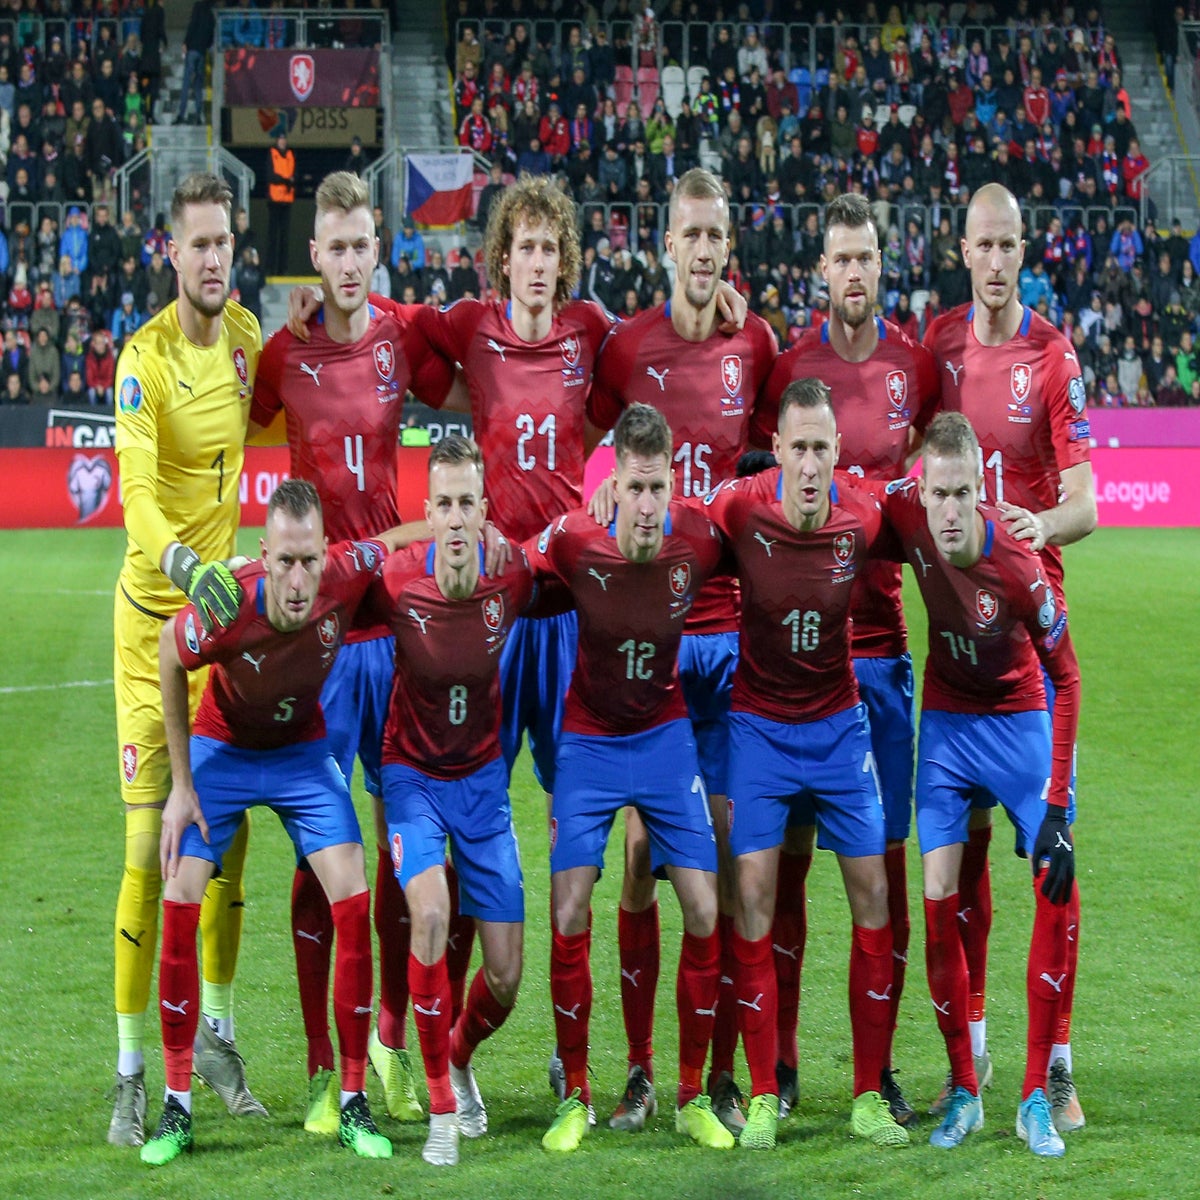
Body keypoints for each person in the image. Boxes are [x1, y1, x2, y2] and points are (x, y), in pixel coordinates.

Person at [249, 170, 460, 1131]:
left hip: (397, 628)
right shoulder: (282, 353)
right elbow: (231, 416)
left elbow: (476, 372)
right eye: (331, 247)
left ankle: (386, 1041)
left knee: (393, 847)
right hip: (320, 639)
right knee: (314, 856)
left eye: (360, 245)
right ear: (315, 254)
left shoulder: (401, 334)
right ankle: (320, 1065)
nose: (346, 261)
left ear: (377, 248)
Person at [585, 166, 778, 1138]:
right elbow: (592, 455)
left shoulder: (757, 342)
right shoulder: (626, 348)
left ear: (727, 248)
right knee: (635, 859)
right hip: (647, 639)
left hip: (732, 639)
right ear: (666, 244)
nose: (703, 252)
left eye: (716, 237)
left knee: (739, 869)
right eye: (689, 235)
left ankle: (730, 1075)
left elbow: (787, 461)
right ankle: (639, 1070)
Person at [141, 479, 395, 1166]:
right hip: (221, 751)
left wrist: (452, 529)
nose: (298, 578)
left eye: (309, 559)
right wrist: (181, 787)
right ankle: (175, 1108)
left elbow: (394, 543)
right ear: (264, 554)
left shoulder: (341, 576)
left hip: (302, 755)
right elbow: (169, 649)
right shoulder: (230, 602)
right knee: (179, 896)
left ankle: (350, 1102)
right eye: (285, 561)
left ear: (323, 553)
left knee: (352, 896)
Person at [760, 192, 940, 1127]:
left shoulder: (917, 366)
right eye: (841, 259)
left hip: (883, 656)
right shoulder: (793, 370)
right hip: (797, 666)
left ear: (883, 264)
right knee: (788, 869)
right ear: (822, 270)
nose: (856, 272)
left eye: (867, 256)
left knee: (883, 872)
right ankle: (782, 1063)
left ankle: (879, 1071)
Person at [700, 377, 910, 1152]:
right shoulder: (741, 505)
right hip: (757, 726)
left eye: (826, 448)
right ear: (779, 451)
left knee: (873, 891)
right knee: (751, 890)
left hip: (836, 724)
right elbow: (679, 529)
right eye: (801, 448)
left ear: (837, 453)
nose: (813, 463)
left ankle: (864, 1093)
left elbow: (930, 525)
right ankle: (761, 1093)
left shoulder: (866, 511)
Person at [924, 182, 1095, 1133]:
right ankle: (979, 1042)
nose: (996, 262)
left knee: (1055, 860)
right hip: (957, 640)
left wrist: (1037, 524)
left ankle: (1057, 1062)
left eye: (1010, 247)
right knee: (966, 863)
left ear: (1024, 251)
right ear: (964, 249)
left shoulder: (1053, 354)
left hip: (1033, 632)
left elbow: (1088, 503)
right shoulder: (940, 344)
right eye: (983, 246)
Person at [531, 404, 731, 1155]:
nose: (647, 506)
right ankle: (576, 1095)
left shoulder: (699, 537)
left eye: (658, 488)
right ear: (613, 485)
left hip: (664, 735)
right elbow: (514, 568)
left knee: (705, 908)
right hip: (588, 737)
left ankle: (687, 1095)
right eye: (635, 489)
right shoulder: (577, 539)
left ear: (672, 481)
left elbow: (758, 543)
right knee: (571, 900)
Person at [110, 172, 264, 1146]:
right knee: (145, 852)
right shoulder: (144, 359)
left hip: (222, 639)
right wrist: (182, 564)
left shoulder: (249, 341)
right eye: (196, 244)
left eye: (223, 244)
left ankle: (215, 1035)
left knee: (231, 843)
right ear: (172, 252)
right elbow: (136, 495)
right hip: (148, 631)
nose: (212, 260)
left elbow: (304, 418)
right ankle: (131, 1070)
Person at [880, 412, 1079, 1158]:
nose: (953, 510)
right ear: (921, 491)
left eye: (965, 493)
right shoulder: (902, 509)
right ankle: (966, 1087)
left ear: (980, 488)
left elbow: (1069, 676)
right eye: (941, 494)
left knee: (1057, 884)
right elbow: (845, 494)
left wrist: (1058, 804)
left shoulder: (1020, 566)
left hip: (1020, 718)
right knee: (937, 890)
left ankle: (1035, 1091)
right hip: (949, 725)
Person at [373, 436, 535, 1168]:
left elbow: (573, 556)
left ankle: (460, 1057)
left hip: (483, 785)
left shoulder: (514, 577)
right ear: (428, 513)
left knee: (505, 974)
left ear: (484, 510)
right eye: (444, 504)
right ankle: (440, 1099)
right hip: (412, 777)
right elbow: (333, 569)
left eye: (469, 502)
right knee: (432, 914)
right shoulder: (398, 580)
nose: (458, 517)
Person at [267, 132, 296, 274]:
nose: (282, 142)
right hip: (274, 200)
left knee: (285, 238)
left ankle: (282, 269)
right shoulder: (272, 154)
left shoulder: (290, 155)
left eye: (284, 139)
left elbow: (294, 176)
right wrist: (285, 180)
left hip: (287, 200)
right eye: (280, 139)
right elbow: (271, 176)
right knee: (273, 236)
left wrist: (284, 180)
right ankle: (271, 268)